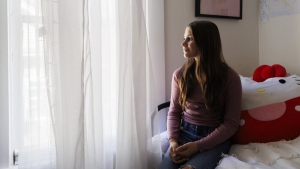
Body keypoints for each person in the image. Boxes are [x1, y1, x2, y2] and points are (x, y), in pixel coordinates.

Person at [159, 20, 242, 169]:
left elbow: (231, 123)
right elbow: (174, 112)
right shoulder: (180, 75)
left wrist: (198, 146)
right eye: (184, 38)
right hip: (185, 133)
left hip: (214, 139)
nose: (183, 43)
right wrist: (173, 142)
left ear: (205, 42)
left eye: (189, 38)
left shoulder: (230, 77)